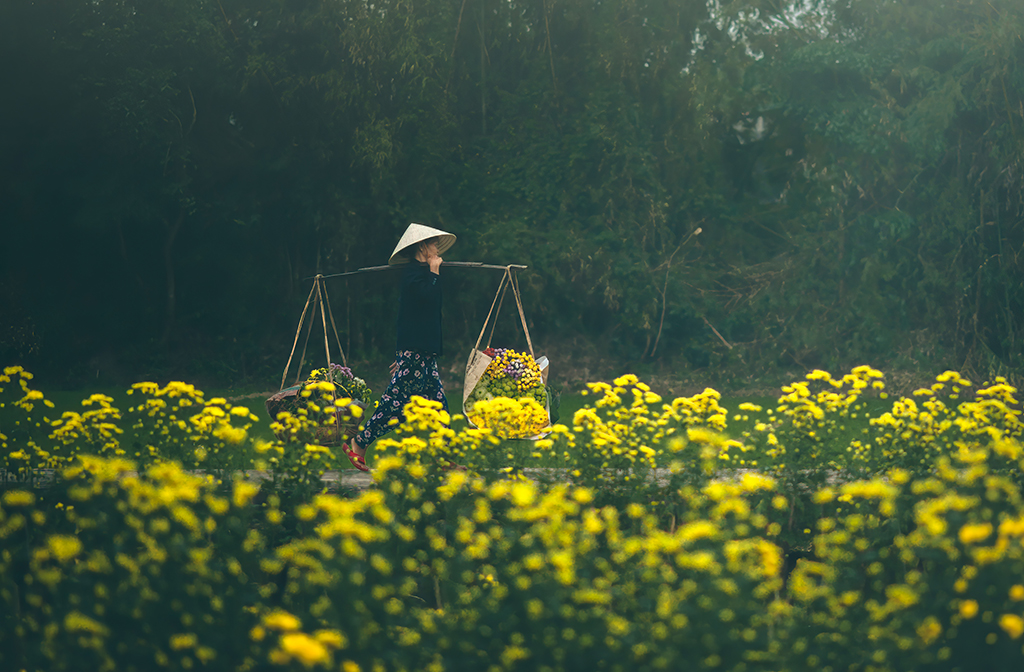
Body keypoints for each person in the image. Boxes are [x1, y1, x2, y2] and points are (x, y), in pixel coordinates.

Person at [343, 223, 456, 471]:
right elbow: (425, 302)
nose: (437, 248)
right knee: (395, 403)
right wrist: (435, 273)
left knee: (438, 404)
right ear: (424, 247)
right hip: (415, 350)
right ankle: (358, 443)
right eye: (434, 243)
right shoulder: (413, 275)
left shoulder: (422, 273)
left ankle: (441, 455)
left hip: (423, 352)